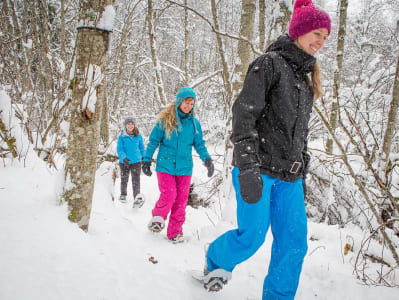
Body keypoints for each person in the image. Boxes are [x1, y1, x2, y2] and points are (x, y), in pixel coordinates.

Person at [201, 0, 331, 298]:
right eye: (316, 33)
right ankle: (216, 259)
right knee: (252, 236)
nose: (320, 42)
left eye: (325, 37)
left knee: (294, 243)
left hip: (290, 178)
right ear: (299, 30)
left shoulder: (306, 81)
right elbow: (244, 116)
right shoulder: (269, 64)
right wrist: (246, 167)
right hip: (258, 168)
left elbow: (302, 132)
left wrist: (304, 163)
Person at [142, 87, 214, 243]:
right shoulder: (165, 120)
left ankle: (175, 232)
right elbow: (154, 140)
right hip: (165, 165)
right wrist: (146, 159)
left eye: (191, 104)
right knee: (169, 194)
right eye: (186, 103)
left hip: (185, 168)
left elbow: (199, 144)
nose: (189, 106)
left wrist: (207, 160)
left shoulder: (194, 124)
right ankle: (157, 219)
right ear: (179, 102)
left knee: (181, 201)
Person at [117, 117, 145, 207]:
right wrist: (123, 157)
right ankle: (123, 195)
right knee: (124, 179)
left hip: (136, 161)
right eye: (128, 124)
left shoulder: (138, 136)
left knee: (136, 180)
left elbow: (141, 148)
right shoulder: (122, 136)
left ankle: (137, 197)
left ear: (134, 125)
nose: (130, 125)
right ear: (126, 125)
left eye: (132, 124)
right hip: (124, 161)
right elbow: (119, 149)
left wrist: (144, 157)